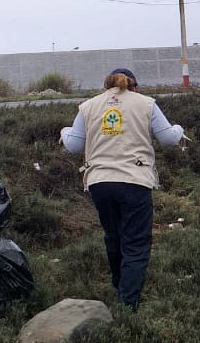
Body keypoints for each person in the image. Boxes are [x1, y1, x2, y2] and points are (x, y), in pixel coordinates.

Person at [60, 68, 184, 310]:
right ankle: (128, 303)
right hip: (134, 180)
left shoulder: (89, 106)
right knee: (136, 241)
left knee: (113, 235)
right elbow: (169, 139)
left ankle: (119, 284)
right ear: (134, 86)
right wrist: (179, 128)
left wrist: (65, 132)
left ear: (106, 87)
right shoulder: (146, 104)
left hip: (100, 182)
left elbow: (74, 146)